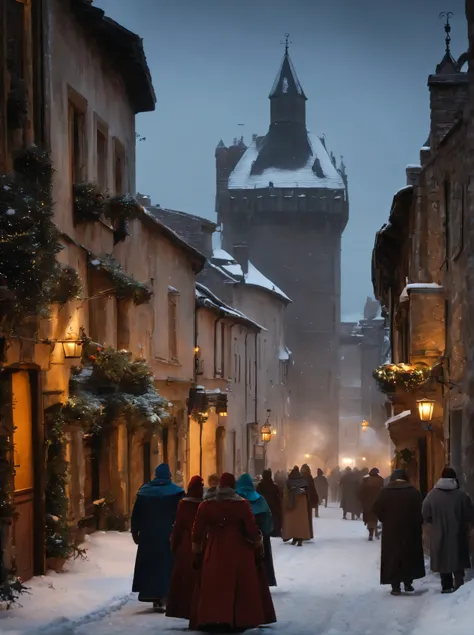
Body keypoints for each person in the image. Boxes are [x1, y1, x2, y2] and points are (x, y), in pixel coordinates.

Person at [190, 472, 276, 631]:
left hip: (214, 548)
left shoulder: (206, 505)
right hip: (239, 550)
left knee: (214, 584)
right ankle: (235, 618)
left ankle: (213, 617)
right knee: (236, 586)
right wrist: (258, 544)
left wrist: (197, 551)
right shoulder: (242, 505)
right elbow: (252, 530)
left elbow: (197, 531)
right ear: (234, 485)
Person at [131, 463, 184, 612]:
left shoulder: (144, 492)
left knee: (151, 565)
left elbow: (136, 515)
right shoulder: (176, 493)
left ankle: (153, 595)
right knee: (166, 566)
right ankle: (165, 594)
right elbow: (181, 515)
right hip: (168, 534)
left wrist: (135, 532)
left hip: (149, 535)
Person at [422, 467, 474, 594]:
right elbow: (469, 515)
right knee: (458, 558)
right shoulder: (461, 496)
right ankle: (459, 585)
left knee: (442, 559)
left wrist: (434, 521)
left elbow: (425, 514)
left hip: (438, 533)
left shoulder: (431, 495)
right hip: (458, 534)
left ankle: (446, 586)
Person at [373, 469, 425, 595]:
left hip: (391, 530)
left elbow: (376, 508)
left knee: (393, 555)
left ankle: (395, 585)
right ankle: (408, 582)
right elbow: (420, 510)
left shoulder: (384, 492)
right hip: (410, 529)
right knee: (409, 554)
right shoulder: (413, 492)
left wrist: (385, 519)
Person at [166, 475, 204, 619]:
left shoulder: (184, 504)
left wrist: (174, 545)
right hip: (201, 546)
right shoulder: (203, 504)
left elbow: (178, 527)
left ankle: (184, 610)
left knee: (184, 582)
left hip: (185, 547)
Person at [237, 473, 277, 586]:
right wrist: (266, 531)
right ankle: (264, 580)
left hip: (240, 536)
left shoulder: (236, 499)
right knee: (261, 560)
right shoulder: (259, 499)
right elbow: (267, 516)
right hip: (260, 535)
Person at [282, 466, 312, 546]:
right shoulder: (303, 481)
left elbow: (285, 493)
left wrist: (285, 503)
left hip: (292, 502)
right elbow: (307, 491)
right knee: (301, 521)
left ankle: (294, 538)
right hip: (302, 502)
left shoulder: (289, 481)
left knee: (293, 521)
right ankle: (300, 539)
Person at [360, 467, 384, 541]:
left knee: (370, 519)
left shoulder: (366, 480)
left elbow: (361, 491)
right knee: (374, 518)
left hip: (368, 502)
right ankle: (375, 532)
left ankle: (371, 533)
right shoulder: (381, 479)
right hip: (377, 502)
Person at [257, 468, 282, 537]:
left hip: (262, 506)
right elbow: (278, 497)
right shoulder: (275, 486)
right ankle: (274, 531)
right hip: (273, 506)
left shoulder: (260, 486)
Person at [301, 464, 319, 529]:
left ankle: (306, 532)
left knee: (306, 516)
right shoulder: (306, 477)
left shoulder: (308, 477)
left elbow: (312, 488)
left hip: (307, 498)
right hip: (304, 498)